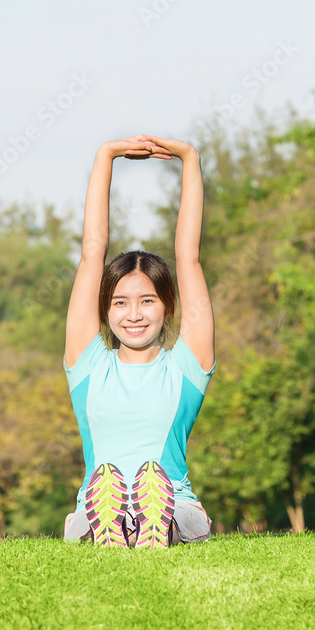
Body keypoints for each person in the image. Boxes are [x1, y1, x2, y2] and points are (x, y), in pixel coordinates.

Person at [61, 135, 215, 548]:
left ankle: (152, 518)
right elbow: (92, 253)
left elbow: (188, 256)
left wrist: (190, 159)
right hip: (95, 504)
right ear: (105, 309)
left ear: (167, 306)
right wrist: (104, 156)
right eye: (120, 302)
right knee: (90, 518)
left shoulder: (186, 365)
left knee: (179, 513)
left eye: (147, 301)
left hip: (174, 501)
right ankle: (114, 518)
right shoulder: (87, 364)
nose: (133, 314)